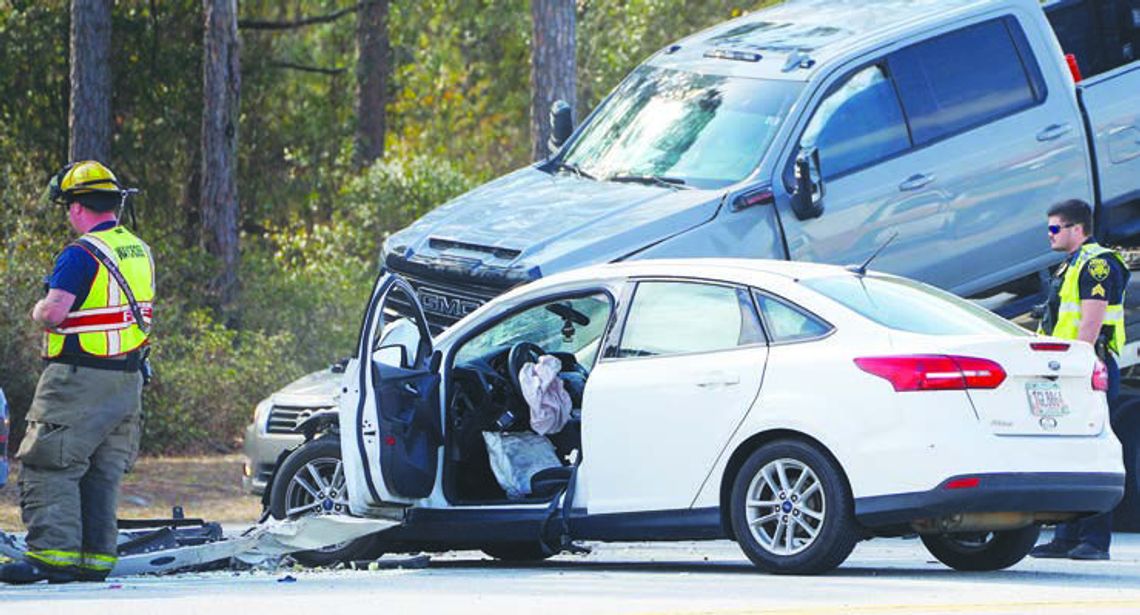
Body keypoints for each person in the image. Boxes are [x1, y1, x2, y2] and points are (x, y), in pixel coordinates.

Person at [0, 161, 154, 584]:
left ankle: (53, 556)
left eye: (67, 206)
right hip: (127, 381)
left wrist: (37, 308)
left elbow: (53, 313)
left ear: (77, 208)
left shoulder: (80, 253)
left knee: (51, 461)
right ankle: (95, 559)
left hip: (79, 379)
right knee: (102, 471)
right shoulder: (139, 250)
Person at [1030, 198, 1129, 561]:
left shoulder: (1098, 264)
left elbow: (1090, 321)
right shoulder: (1069, 266)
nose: (1050, 235)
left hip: (1087, 369)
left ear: (1077, 229)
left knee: (1090, 449)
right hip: (1067, 369)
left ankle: (1094, 541)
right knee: (1066, 452)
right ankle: (1066, 537)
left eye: (1055, 228)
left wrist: (1075, 367)